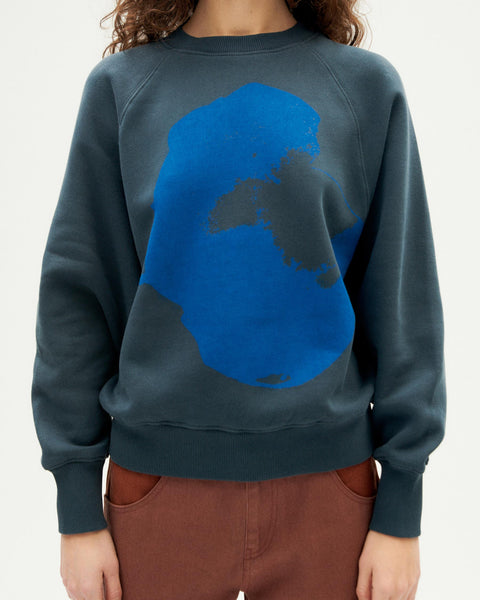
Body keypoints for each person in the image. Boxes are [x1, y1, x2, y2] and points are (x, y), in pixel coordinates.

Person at [30, 0, 447, 598]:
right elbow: (78, 297)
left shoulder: (364, 87)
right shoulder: (122, 88)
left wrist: (402, 505)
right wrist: (76, 504)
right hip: (157, 497)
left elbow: (404, 296)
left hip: (330, 496)